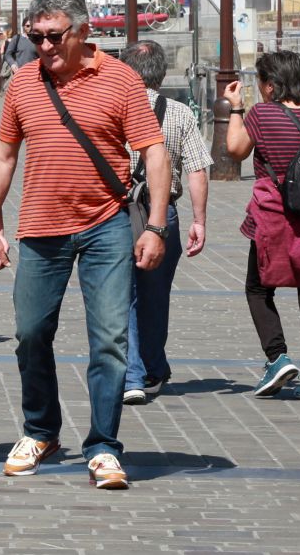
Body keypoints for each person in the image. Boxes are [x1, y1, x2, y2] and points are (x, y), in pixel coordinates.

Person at [0, 0, 170, 491]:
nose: (43, 47)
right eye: (34, 36)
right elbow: (2, 158)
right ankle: (42, 430)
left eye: (52, 36)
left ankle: (104, 446)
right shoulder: (23, 84)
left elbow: (153, 152)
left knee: (109, 340)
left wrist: (154, 224)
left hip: (106, 226)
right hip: (41, 229)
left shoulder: (121, 80)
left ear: (82, 32)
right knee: (30, 334)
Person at [225, 50, 300, 404]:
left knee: (258, 289)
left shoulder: (263, 114)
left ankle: (277, 357)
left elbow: (235, 150)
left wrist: (236, 107)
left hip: (276, 218)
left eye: (261, 82)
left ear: (271, 84)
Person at [118, 41, 211, 405]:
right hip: (163, 213)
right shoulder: (180, 113)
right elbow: (198, 171)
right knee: (156, 295)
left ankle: (133, 375)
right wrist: (199, 220)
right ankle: (154, 366)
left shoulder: (115, 106)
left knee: (124, 294)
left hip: (120, 210)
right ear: (161, 72)